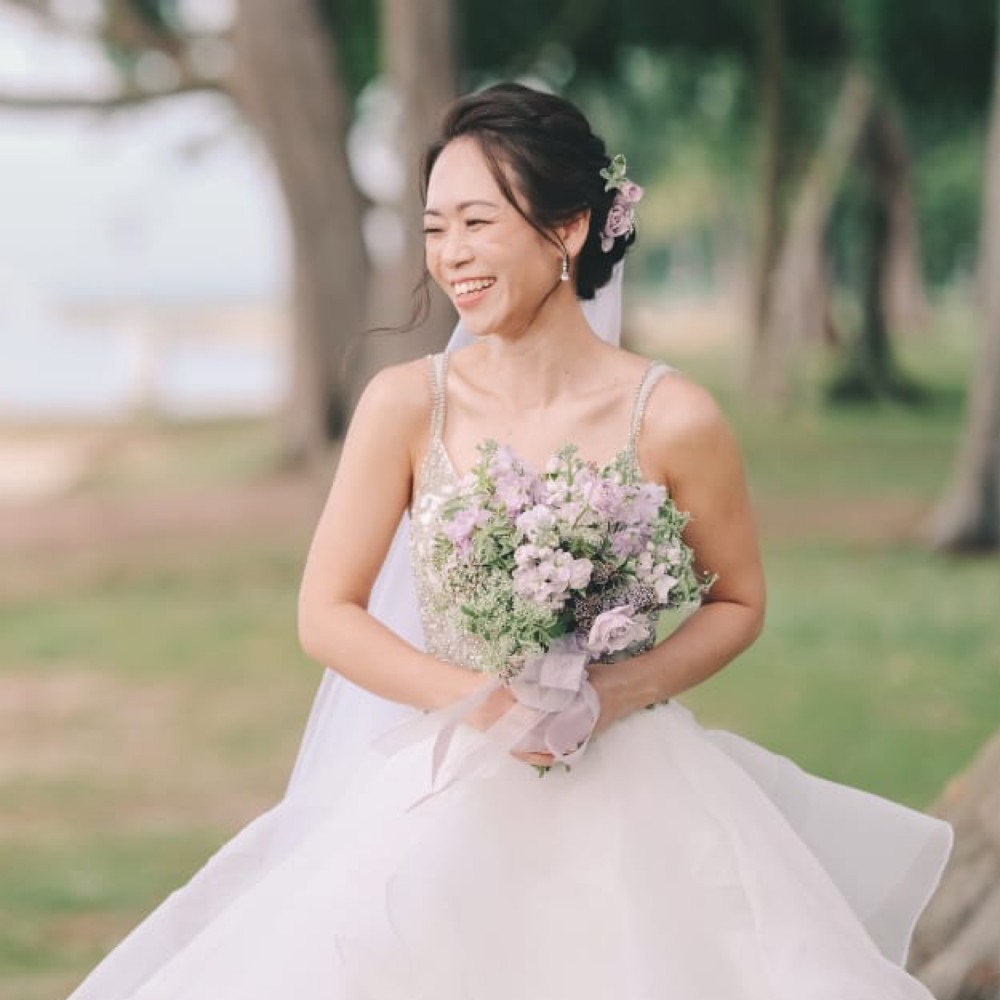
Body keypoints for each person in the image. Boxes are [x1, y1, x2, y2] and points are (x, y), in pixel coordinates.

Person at [67, 82, 951, 1000]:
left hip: (637, 795)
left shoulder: (675, 418)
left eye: (477, 223)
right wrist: (483, 706)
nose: (451, 256)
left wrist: (610, 693)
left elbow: (738, 600)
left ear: (567, 229)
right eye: (434, 227)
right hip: (441, 796)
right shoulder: (408, 404)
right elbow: (327, 614)